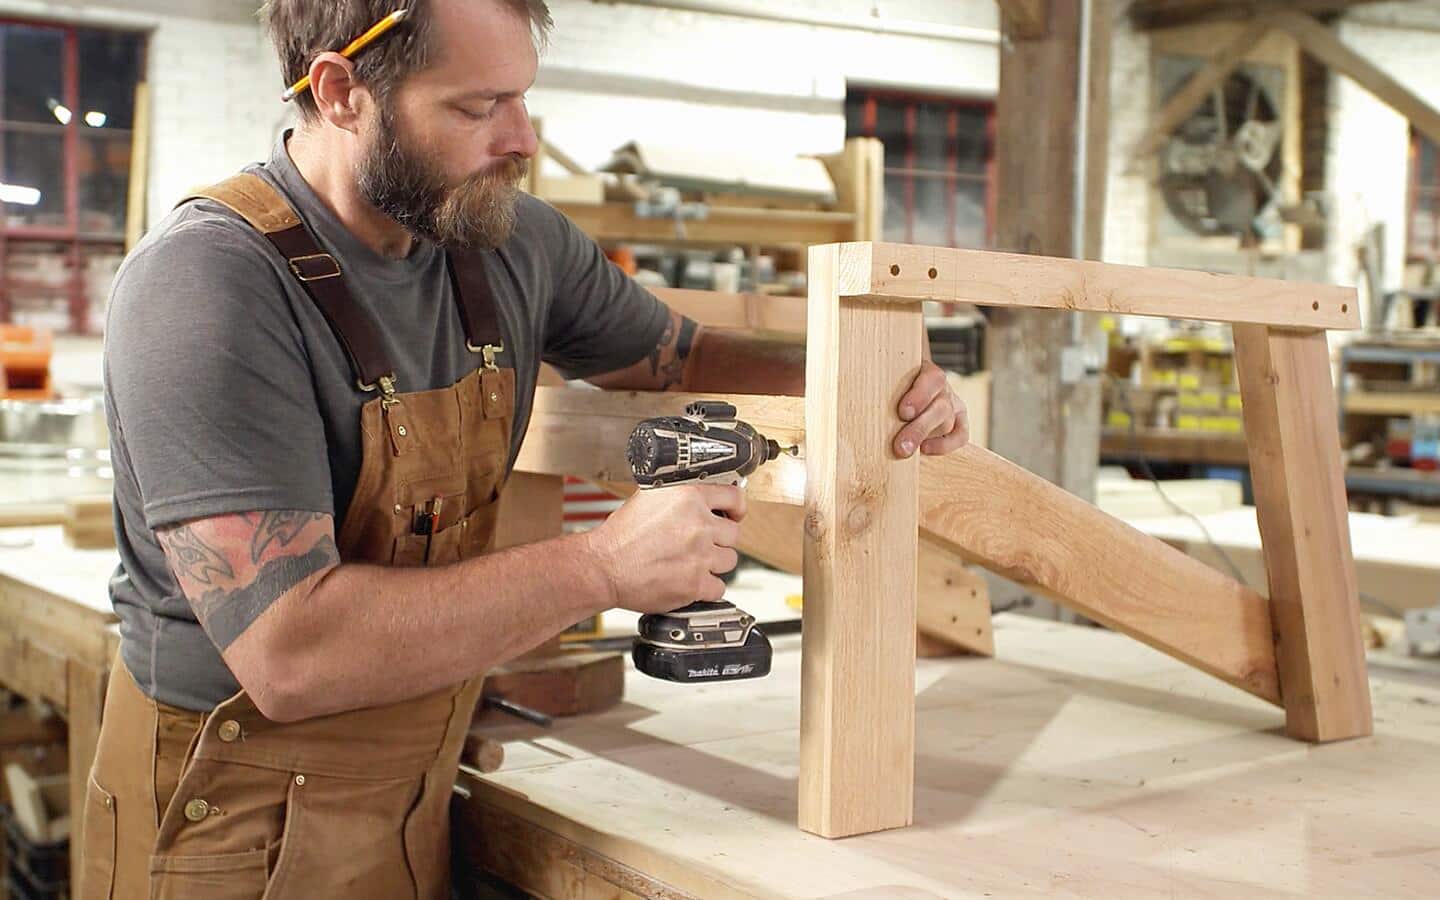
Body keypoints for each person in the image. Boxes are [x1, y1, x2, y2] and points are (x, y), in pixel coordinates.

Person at [79, 1, 970, 898]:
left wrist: (875, 376)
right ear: (342, 92)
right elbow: (293, 655)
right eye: (477, 108)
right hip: (231, 817)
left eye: (522, 99)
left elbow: (681, 357)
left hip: (409, 784)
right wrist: (602, 568)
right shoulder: (210, 285)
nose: (523, 138)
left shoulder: (500, 238)